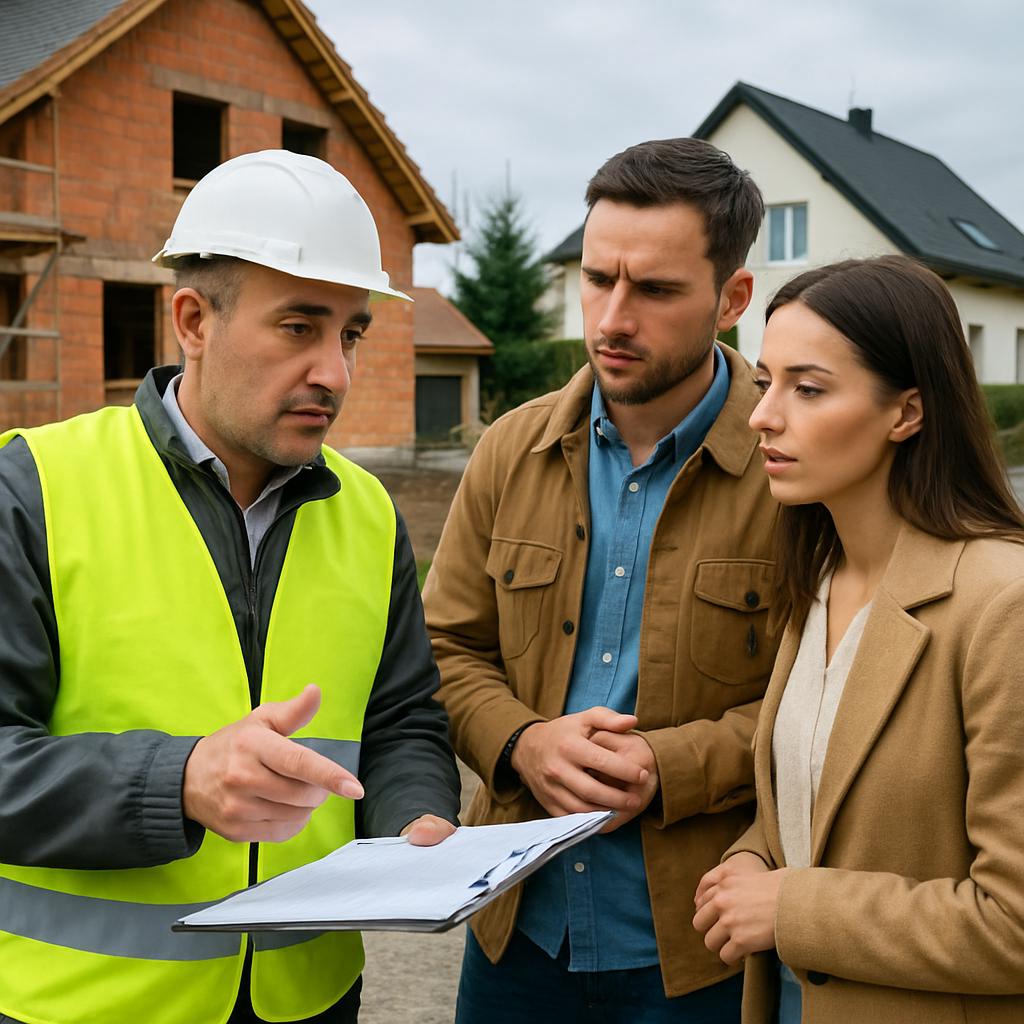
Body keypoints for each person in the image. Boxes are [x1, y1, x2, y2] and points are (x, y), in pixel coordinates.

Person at [0, 150, 461, 1024]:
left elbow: (402, 719)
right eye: (298, 328)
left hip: (310, 1000)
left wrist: (416, 825)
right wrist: (177, 780)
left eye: (350, 333)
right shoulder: (36, 489)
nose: (335, 370)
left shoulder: (367, 512)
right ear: (192, 319)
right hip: (81, 1005)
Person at [423, 138, 779, 1022]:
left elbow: (831, 703)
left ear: (732, 298)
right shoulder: (509, 449)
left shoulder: (791, 467)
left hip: (700, 949)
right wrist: (522, 741)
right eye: (596, 279)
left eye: (654, 290)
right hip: (515, 933)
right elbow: (444, 648)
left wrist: (672, 765)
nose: (612, 318)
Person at [693, 255, 1024, 1023]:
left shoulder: (1000, 606)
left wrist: (792, 907)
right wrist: (755, 854)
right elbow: (831, 799)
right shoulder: (820, 577)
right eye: (765, 380)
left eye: (807, 389)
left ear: (906, 412)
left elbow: (1012, 918)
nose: (762, 415)